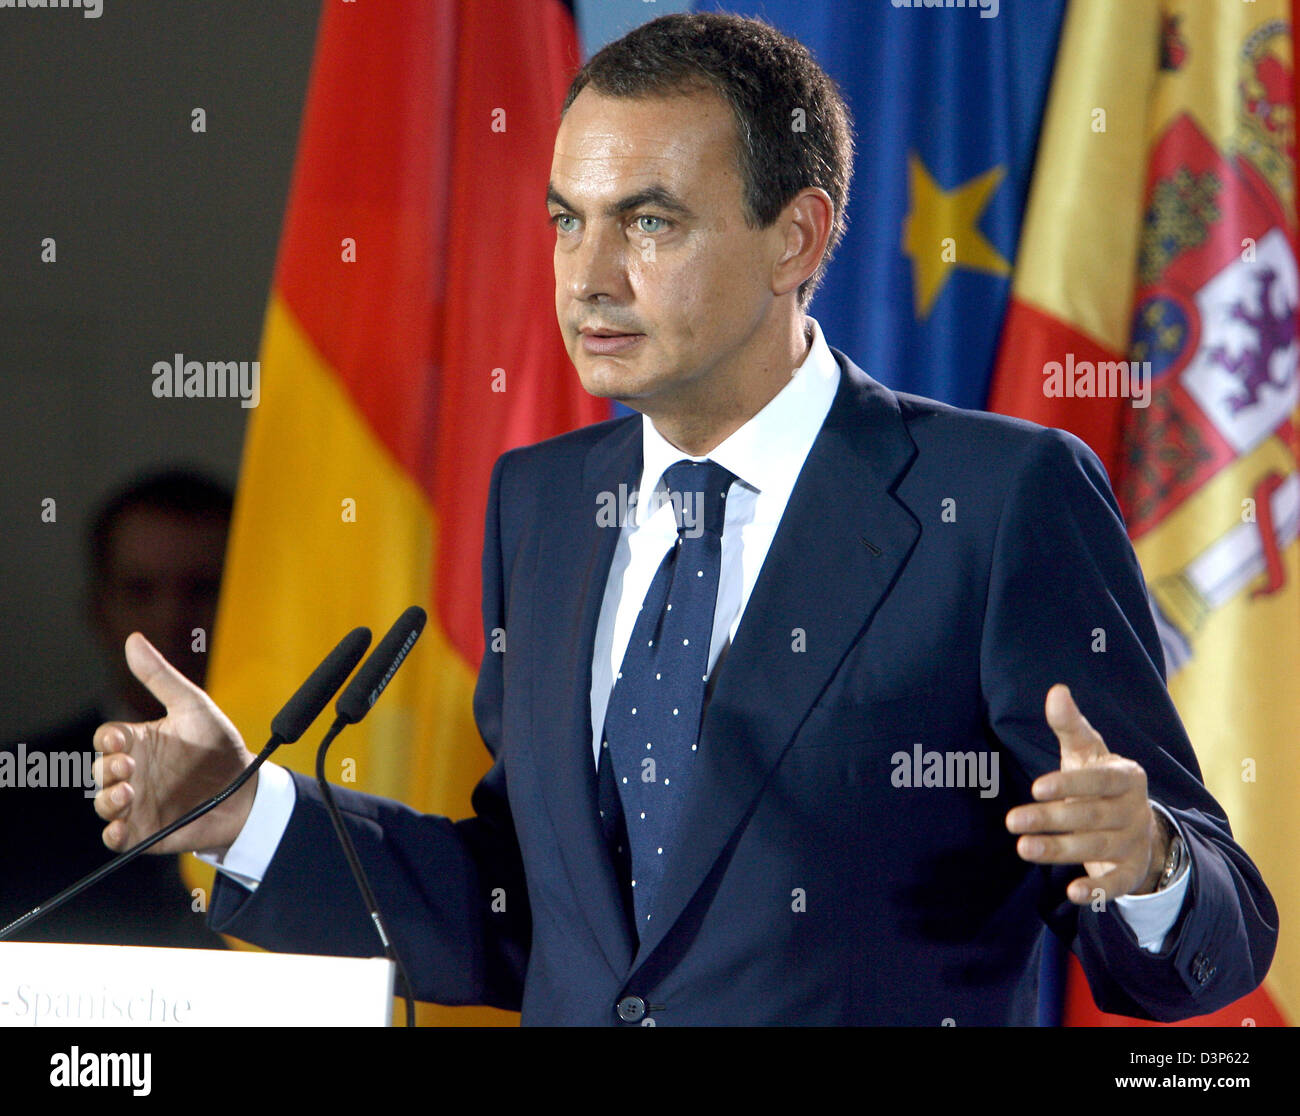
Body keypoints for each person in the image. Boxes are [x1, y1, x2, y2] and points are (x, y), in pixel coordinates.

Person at [91, 14, 1275, 1024]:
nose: (587, 275)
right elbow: (535, 915)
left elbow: (1221, 925)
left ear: (796, 238)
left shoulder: (998, 499)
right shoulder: (545, 503)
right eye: (567, 219)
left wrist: (1150, 864)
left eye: (648, 222)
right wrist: (249, 814)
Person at [1, 469, 229, 949]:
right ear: (98, 609)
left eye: (202, 589)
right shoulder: (17, 792)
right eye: (141, 591)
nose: (173, 620)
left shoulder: (312, 784)